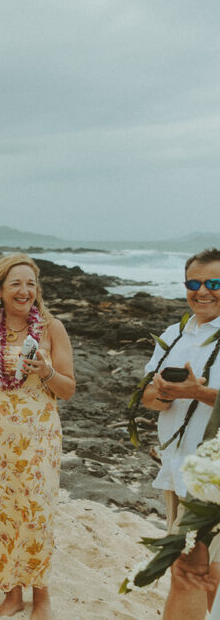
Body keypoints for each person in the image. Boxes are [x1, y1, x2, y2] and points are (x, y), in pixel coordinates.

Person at [0, 254, 75, 620]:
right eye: (16, 284)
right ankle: (11, 594)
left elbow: (68, 389)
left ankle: (42, 598)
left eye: (30, 284)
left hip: (38, 437)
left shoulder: (51, 328)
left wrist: (47, 370)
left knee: (36, 513)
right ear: (0, 290)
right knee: (0, 512)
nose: (25, 291)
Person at [140, 248, 220, 619]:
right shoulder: (175, 334)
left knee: (193, 571)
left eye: (214, 283)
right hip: (180, 470)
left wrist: (199, 393)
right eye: (194, 283)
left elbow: (202, 397)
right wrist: (163, 392)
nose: (202, 291)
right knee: (195, 570)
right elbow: (147, 398)